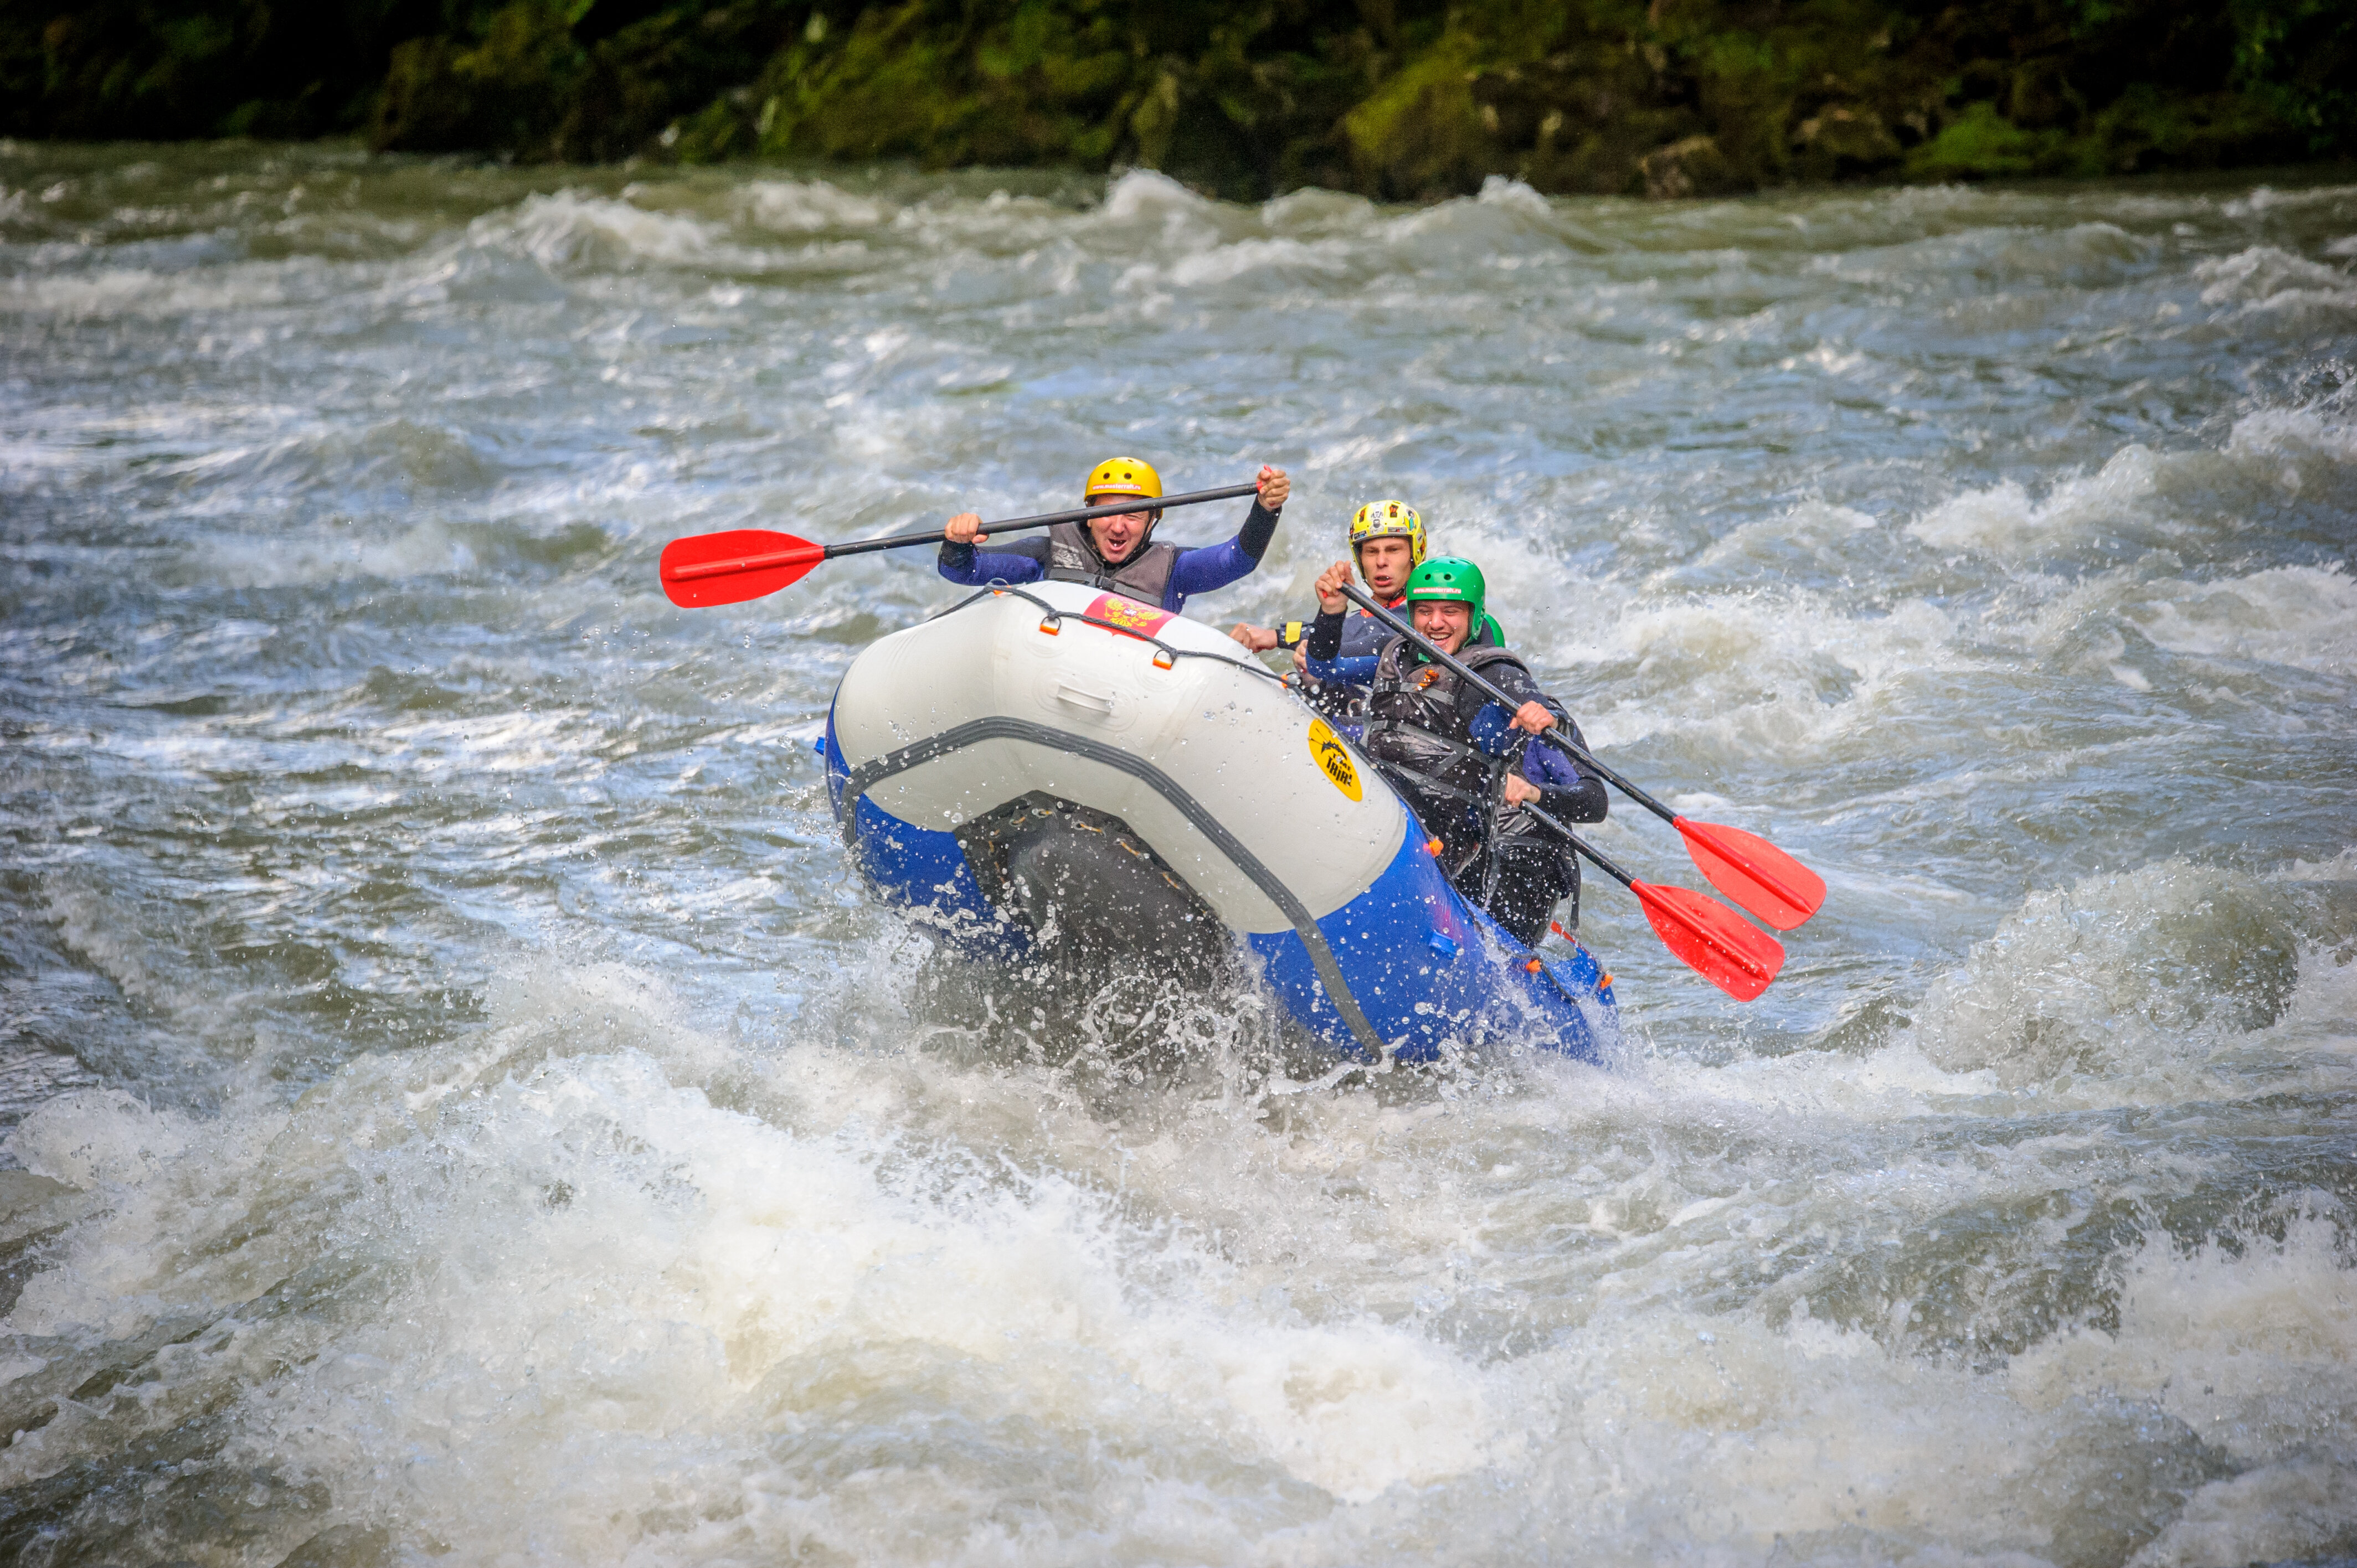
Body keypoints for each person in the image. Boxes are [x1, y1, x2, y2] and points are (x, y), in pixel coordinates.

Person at [1301, 555, 1605, 946]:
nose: (1436, 622)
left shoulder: (1495, 677)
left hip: (1490, 864)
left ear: (1475, 621)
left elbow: (1594, 802)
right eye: (1424, 611)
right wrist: (1330, 613)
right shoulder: (1397, 655)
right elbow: (1323, 666)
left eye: (1451, 612)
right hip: (1400, 816)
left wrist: (1535, 785)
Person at [1229, 500, 1505, 713]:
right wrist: (1275, 636)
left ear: (1415, 554)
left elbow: (1375, 637)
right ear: (1360, 559)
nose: (1381, 562)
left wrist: (1311, 643)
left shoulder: (1425, 619)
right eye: (1371, 552)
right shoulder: (1362, 613)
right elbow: (1351, 627)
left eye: (1394, 550)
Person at [936, 457, 1289, 615]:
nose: (1118, 527)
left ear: (1153, 521)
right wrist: (958, 543)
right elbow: (961, 571)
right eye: (1105, 515)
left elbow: (1238, 561)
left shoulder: (1174, 571)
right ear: (1087, 517)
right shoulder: (1043, 556)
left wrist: (1266, 509)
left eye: (1133, 516)